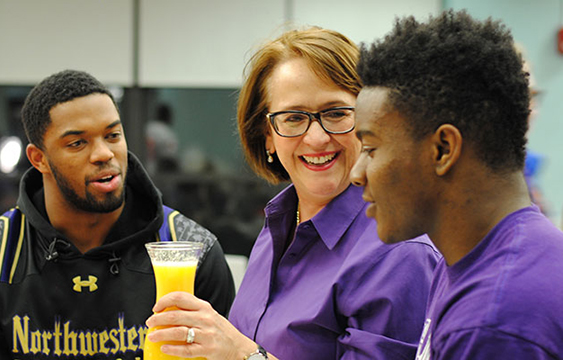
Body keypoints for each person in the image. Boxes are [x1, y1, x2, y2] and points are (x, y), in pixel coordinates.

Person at [146, 27, 440, 360]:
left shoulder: (398, 251)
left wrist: (244, 354)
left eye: (336, 113)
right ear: (268, 136)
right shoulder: (279, 227)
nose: (317, 138)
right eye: (293, 118)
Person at [351, 10, 563, 359]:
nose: (357, 173)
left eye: (371, 148)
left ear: (443, 149)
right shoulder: (477, 259)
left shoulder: (492, 321)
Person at [0, 70, 235, 360]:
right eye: (77, 143)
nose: (103, 154)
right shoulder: (4, 249)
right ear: (39, 159)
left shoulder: (192, 250)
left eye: (112, 135)